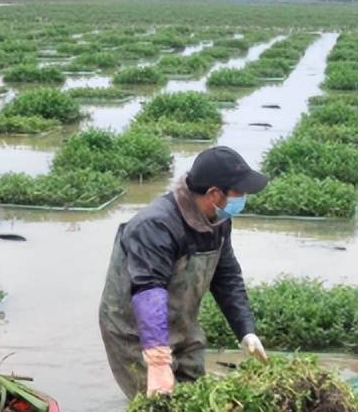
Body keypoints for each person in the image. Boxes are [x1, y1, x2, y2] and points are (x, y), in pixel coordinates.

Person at [99, 146, 269, 398]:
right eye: (238, 192)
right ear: (214, 194)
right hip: (134, 333)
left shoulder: (218, 222)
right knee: (157, 409)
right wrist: (157, 361)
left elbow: (226, 276)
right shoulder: (156, 226)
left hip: (182, 325)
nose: (242, 197)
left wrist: (245, 330)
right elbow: (149, 290)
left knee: (195, 401)